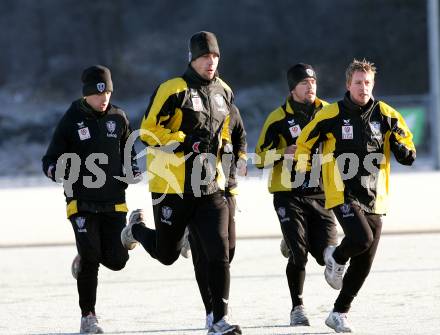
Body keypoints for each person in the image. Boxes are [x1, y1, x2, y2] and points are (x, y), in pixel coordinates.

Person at [120, 31, 242, 335]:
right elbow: (148, 132)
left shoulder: (224, 91)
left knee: (219, 252)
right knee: (167, 254)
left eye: (214, 56)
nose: (210, 62)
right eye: (204, 57)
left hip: (208, 186)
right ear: (192, 58)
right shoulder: (173, 89)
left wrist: (226, 153)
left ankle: (219, 318)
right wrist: (185, 141)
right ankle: (135, 228)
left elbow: (226, 129)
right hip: (171, 186)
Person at [295, 59, 416, 332]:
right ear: (348, 84)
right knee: (361, 238)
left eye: (368, 83)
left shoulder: (385, 113)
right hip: (342, 190)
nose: (364, 88)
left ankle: (338, 313)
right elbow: (305, 143)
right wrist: (304, 171)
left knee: (365, 259)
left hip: (375, 194)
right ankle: (336, 258)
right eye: (358, 83)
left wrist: (405, 150)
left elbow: (406, 141)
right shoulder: (332, 114)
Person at [42, 65, 140, 334]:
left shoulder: (119, 117)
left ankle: (116, 241)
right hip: (81, 200)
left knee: (118, 261)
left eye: (107, 92)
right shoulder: (71, 119)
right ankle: (89, 316)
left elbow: (130, 149)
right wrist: (54, 170)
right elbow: (49, 159)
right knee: (91, 257)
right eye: (98, 94)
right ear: (86, 94)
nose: (103, 98)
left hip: (114, 201)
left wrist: (132, 167)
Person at [255, 63, 338, 327]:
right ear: (292, 89)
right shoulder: (278, 118)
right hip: (288, 193)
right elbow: (259, 159)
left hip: (321, 193)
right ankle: (297, 308)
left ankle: (291, 240)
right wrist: (282, 153)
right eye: (304, 83)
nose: (310, 86)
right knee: (299, 254)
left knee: (326, 253)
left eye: (313, 82)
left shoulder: (330, 112)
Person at [180, 103, 247, 329]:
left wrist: (242, 157)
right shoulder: (195, 113)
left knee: (228, 252)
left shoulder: (231, 110)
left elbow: (240, 136)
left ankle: (186, 234)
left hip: (227, 189)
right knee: (204, 255)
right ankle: (212, 312)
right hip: (201, 191)